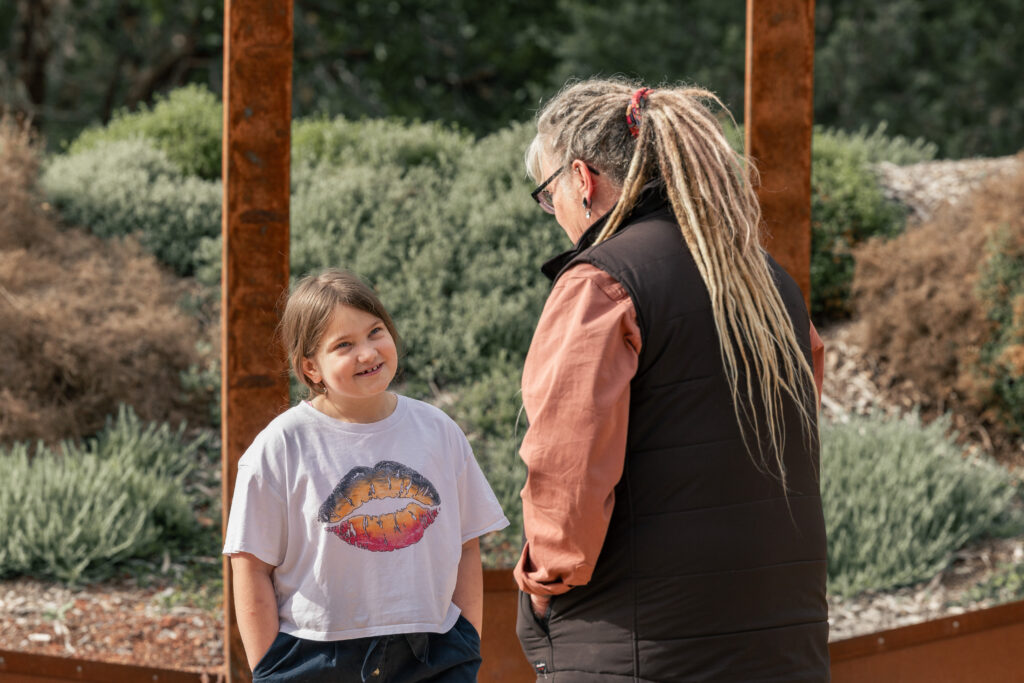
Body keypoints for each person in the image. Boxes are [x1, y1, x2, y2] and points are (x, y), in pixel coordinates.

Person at [514, 79, 830, 681]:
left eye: (547, 192)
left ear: (582, 180)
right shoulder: (767, 280)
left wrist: (544, 580)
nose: (551, 210)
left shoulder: (601, 284)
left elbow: (569, 464)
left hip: (640, 643)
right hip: (784, 634)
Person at [223, 269, 509, 682]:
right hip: (311, 657)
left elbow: (467, 543)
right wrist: (268, 670)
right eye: (344, 345)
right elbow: (249, 565)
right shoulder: (280, 446)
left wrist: (466, 638)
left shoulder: (439, 430)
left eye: (375, 332)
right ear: (310, 367)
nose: (368, 353)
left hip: (436, 652)